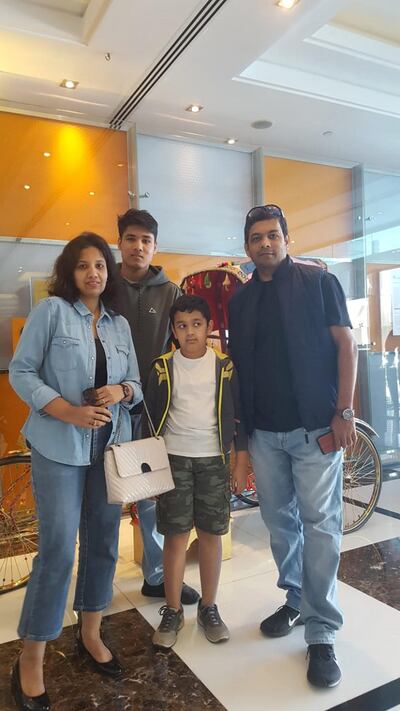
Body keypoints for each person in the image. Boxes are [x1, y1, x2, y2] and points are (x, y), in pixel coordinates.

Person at [9, 233, 142, 711]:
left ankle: (90, 631)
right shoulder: (51, 313)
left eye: (101, 265)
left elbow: (137, 383)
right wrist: (66, 410)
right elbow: (22, 372)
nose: (94, 273)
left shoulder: (119, 324)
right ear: (71, 272)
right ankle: (31, 655)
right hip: (58, 446)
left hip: (108, 448)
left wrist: (122, 392)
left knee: (105, 541)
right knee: (59, 549)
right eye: (84, 265)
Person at [228, 204, 358, 689]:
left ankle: (322, 631)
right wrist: (241, 443)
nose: (265, 243)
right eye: (256, 237)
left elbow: (346, 345)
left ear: (287, 238)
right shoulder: (240, 302)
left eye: (272, 235)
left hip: (315, 429)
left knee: (320, 523)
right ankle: (297, 597)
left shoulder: (319, 283)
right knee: (279, 521)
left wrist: (343, 412)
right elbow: (238, 371)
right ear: (247, 246)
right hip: (265, 433)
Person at [144, 294, 248, 649]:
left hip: (213, 460)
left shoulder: (224, 367)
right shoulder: (162, 367)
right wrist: (151, 472)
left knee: (211, 534)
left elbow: (238, 417)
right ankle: (173, 609)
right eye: (182, 326)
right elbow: (150, 421)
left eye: (197, 325)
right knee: (175, 536)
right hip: (173, 460)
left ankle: (209, 606)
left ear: (209, 327)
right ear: (173, 330)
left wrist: (240, 460)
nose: (190, 332)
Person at [117, 208, 198, 605]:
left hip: (151, 409)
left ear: (154, 246)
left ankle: (157, 574)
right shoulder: (103, 284)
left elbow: (183, 344)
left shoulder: (170, 292)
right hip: (106, 409)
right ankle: (93, 586)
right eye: (131, 239)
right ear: (120, 243)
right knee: (100, 496)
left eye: (145, 240)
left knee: (151, 495)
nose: (138, 247)